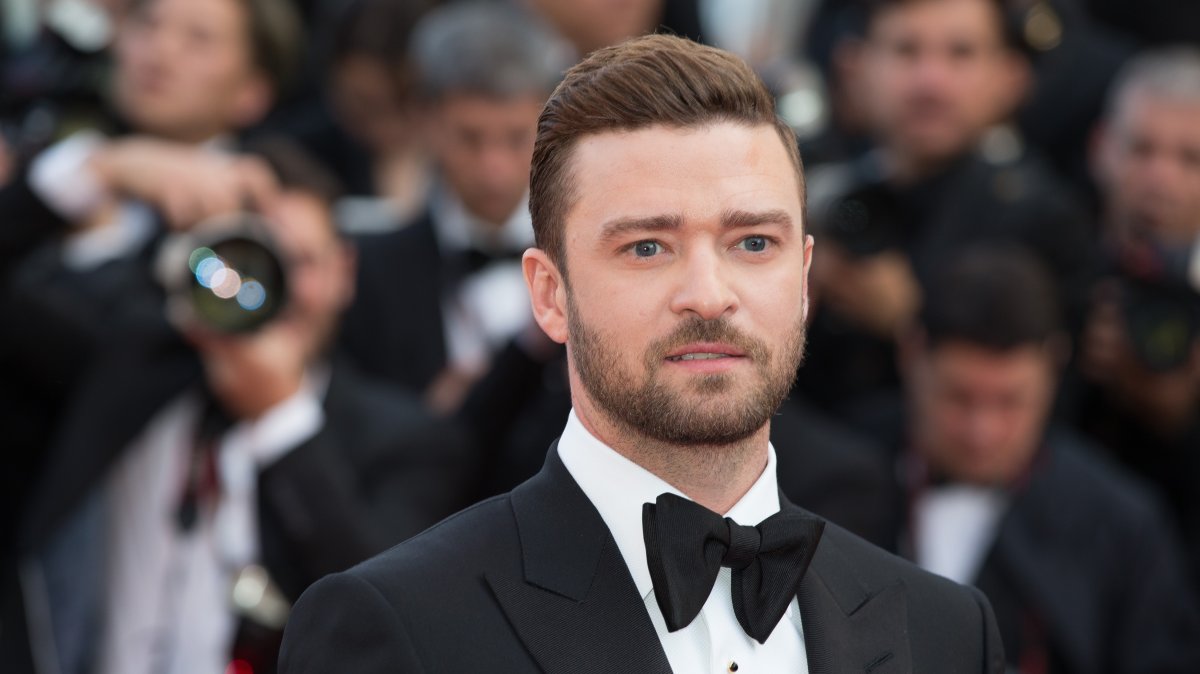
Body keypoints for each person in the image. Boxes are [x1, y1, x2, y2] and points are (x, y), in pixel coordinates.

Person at [279, 34, 1004, 673]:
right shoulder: (403, 626)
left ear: (805, 279)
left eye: (753, 243)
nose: (709, 295)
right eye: (647, 247)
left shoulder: (946, 633)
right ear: (550, 296)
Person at [0, 144, 474, 674]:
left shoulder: (408, 440)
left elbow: (388, 618)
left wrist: (283, 420)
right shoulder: (116, 363)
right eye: (248, 259)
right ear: (196, 265)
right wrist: (103, 169)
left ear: (344, 272)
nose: (271, 290)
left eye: (300, 262)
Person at [862, 247, 1200, 673]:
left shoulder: (1120, 527)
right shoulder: (840, 474)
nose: (981, 432)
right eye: (958, 398)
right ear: (911, 354)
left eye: (1010, 402)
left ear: (1054, 367)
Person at [796, 0, 1093, 415]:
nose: (930, 82)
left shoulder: (1044, 218)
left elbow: (1060, 399)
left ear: (1011, 76)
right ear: (854, 68)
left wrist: (905, 321)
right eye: (906, 50)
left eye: (961, 53)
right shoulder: (813, 188)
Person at [338, 1, 571, 413]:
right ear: (424, 120)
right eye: (469, 138)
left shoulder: (583, 254)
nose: (494, 168)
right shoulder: (372, 271)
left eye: (517, 137)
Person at [1075, 46, 1200, 592]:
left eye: (1191, 159)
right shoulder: (1054, 273)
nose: (1160, 179)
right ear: (1101, 148)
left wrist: (1183, 418)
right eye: (1142, 149)